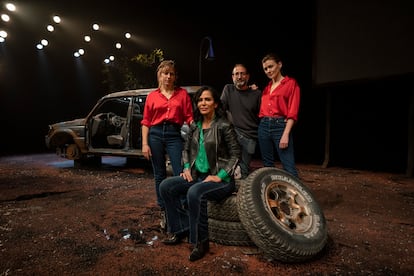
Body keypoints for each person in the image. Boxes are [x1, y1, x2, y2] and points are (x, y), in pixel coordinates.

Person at [159, 86, 240, 262]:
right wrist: (187, 168)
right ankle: (180, 229)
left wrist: (221, 175)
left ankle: (201, 242)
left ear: (216, 104)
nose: (203, 103)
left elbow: (236, 154)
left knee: (195, 192)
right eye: (200, 100)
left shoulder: (224, 125)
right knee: (166, 186)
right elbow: (186, 149)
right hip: (198, 175)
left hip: (221, 179)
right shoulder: (195, 125)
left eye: (207, 99)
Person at [141, 60, 194, 229]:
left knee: (181, 172)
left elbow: (189, 117)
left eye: (171, 73)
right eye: (165, 73)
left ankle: (183, 206)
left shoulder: (182, 94)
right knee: (159, 173)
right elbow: (146, 122)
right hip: (155, 134)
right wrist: (144, 144)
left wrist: (201, 131)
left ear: (174, 76)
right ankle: (164, 208)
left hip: (174, 134)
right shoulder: (152, 96)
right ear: (160, 75)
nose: (168, 76)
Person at [258, 53, 300, 178]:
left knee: (288, 166)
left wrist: (285, 134)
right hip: (264, 126)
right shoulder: (267, 88)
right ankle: (273, 194)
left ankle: (294, 196)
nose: (268, 71)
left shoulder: (290, 83)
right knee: (267, 166)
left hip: (281, 126)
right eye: (265, 69)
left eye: (271, 67)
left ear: (279, 65)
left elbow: (293, 111)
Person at [221, 63, 262, 179]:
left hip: (249, 136)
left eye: (242, 74)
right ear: (232, 77)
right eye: (236, 74)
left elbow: (262, 115)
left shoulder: (257, 94)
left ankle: (241, 195)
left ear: (248, 76)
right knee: (226, 167)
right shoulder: (228, 89)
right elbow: (220, 110)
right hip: (234, 133)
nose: (239, 77)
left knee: (242, 172)